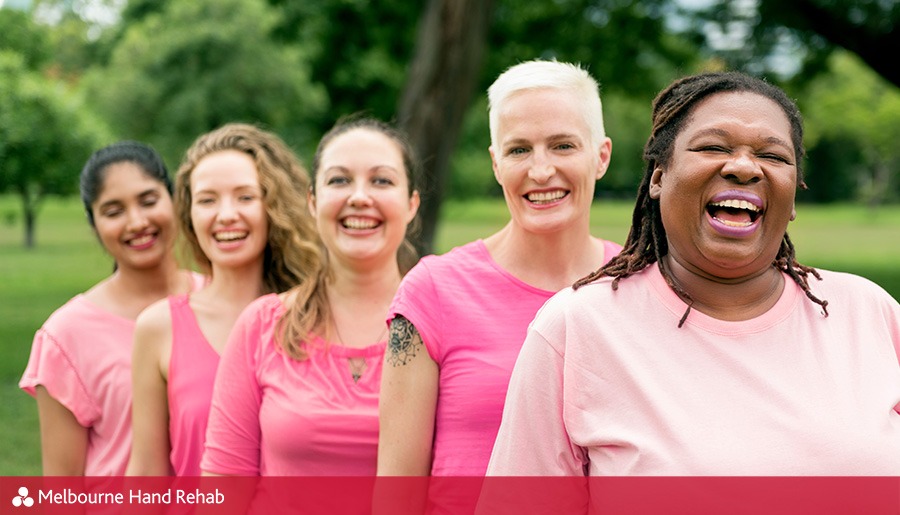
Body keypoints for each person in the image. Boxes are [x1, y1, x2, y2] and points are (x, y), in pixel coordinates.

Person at [486, 71, 900, 479]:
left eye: (772, 156)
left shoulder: (869, 311)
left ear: (793, 195)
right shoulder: (579, 327)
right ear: (659, 178)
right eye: (712, 147)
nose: (743, 167)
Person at [377, 59, 622, 497]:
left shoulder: (642, 287)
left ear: (601, 156)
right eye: (519, 149)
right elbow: (396, 493)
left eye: (563, 145)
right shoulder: (431, 291)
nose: (541, 170)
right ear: (496, 163)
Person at [201, 117, 420, 477]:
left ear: (411, 203)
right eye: (339, 180)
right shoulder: (262, 326)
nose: (359, 197)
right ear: (313, 201)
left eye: (381, 180)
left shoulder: (442, 327)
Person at [127, 124, 321, 476]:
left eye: (245, 197)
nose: (226, 214)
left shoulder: (320, 317)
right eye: (207, 200)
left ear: (275, 207)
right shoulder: (159, 328)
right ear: (189, 215)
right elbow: (146, 476)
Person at [19, 141, 203, 475]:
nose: (136, 222)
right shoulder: (65, 336)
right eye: (113, 211)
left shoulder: (221, 302)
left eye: (148, 201)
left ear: (174, 201)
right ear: (94, 225)